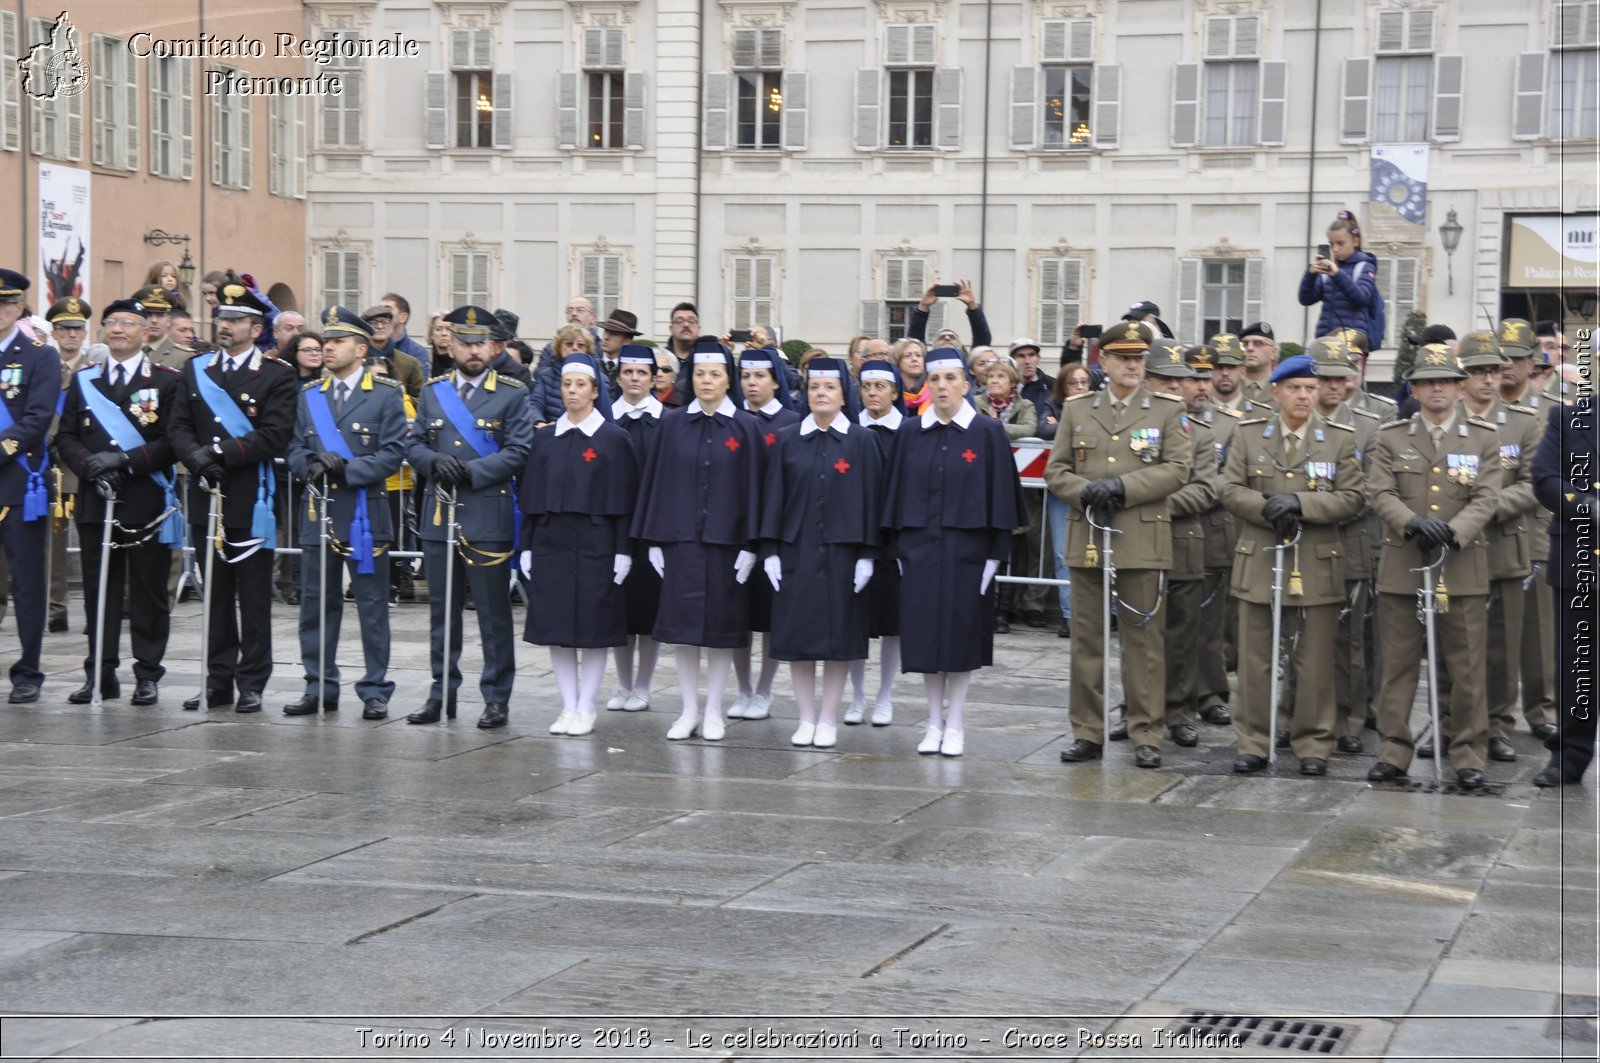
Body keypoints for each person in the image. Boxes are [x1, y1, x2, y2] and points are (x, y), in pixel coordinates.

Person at [1049, 321, 1193, 769]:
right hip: (1088, 532)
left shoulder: (1166, 409)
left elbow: (1178, 469)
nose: (1134, 365)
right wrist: (1085, 491)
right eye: (1124, 357)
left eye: (1139, 357)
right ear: (1104, 362)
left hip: (1140, 533)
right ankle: (1087, 731)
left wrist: (1123, 487)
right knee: (1086, 639)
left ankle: (1146, 732)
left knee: (1143, 641)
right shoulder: (1078, 409)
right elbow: (1056, 471)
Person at [1364, 344, 1503, 789]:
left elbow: (1487, 496)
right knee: (1398, 667)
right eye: (1427, 381)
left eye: (1445, 380)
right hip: (1404, 564)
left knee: (1466, 669)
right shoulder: (1391, 436)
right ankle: (1393, 752)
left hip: (1461, 568)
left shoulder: (1483, 436)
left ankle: (1467, 753)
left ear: (1460, 387)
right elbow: (1379, 492)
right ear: (1415, 388)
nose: (1437, 388)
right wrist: (1411, 523)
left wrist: (1454, 531)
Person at [1219, 354, 1364, 775]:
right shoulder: (1248, 435)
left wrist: (1301, 502)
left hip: (1315, 561)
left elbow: (1353, 497)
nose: (1304, 395)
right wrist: (1268, 507)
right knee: (1254, 659)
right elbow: (1227, 488)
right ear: (1276, 391)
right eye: (1295, 388)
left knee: (1314, 660)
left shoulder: (1339, 438)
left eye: (1311, 388)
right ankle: (1253, 742)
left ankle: (1314, 744)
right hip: (1260, 557)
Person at [882, 347, 1024, 757]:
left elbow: (1002, 497)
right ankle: (932, 721)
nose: (942, 387)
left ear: (966, 383)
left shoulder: (986, 432)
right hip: (920, 549)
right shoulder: (910, 432)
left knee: (960, 637)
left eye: (950, 379)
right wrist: (898, 551)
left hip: (969, 551)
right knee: (926, 637)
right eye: (935, 380)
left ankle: (956, 722)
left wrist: (996, 554)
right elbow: (895, 495)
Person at [1415, 331, 1547, 763]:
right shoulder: (1443, 421)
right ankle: (1446, 722)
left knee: (1499, 649)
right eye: (1478, 371)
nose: (1489, 379)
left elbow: (1532, 485)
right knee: (1446, 645)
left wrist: (1481, 509)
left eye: (1493, 370)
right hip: (1450, 553)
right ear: (1460, 377)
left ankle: (1495, 727)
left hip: (1501, 548)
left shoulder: (1524, 422)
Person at [170, 280, 298, 713]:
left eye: (236, 320)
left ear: (255, 326)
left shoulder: (277, 375)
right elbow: (178, 425)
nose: (225, 326)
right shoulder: (196, 369)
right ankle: (217, 679)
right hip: (208, 493)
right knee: (217, 595)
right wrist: (196, 457)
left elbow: (275, 435)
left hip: (250, 496)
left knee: (255, 595)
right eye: (222, 318)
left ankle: (252, 681)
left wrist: (219, 452)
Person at [404, 305, 534, 729]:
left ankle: (497, 697)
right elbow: (414, 444)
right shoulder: (432, 390)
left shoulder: (512, 393)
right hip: (440, 514)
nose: (472, 351)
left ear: (492, 346)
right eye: (464, 342)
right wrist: (433, 463)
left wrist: (471, 472)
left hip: (487, 514)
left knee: (494, 614)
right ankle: (441, 693)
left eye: (480, 343)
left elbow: (519, 450)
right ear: (451, 344)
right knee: (443, 612)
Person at [631, 336, 766, 741]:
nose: (707, 381)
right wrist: (653, 540)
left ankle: (713, 711)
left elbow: (756, 488)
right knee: (683, 630)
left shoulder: (746, 427)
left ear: (729, 381)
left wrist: (752, 544)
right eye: (701, 374)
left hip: (727, 544)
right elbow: (656, 482)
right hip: (681, 541)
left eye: (716, 374)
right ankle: (688, 709)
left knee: (722, 631)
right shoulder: (672, 424)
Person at [281, 308, 408, 720]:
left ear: (360, 347)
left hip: (365, 513)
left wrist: (347, 469)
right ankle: (318, 684)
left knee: (371, 604)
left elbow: (392, 453)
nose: (327, 348)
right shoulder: (309, 394)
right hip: (319, 509)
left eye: (336, 342)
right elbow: (295, 448)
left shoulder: (386, 393)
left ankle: (375, 688)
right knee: (317, 602)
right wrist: (309, 466)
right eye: (325, 342)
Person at [54, 297, 182, 705]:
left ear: (146, 330)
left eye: (129, 323)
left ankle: (147, 673)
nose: (119, 329)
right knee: (98, 591)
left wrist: (124, 461)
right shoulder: (85, 379)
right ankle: (100, 674)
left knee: (147, 592)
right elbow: (67, 436)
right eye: (112, 322)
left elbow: (170, 441)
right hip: (98, 497)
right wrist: (90, 465)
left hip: (144, 499)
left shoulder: (164, 381)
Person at [759, 357, 882, 747]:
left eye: (829, 387)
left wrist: (868, 554)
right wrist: (771, 549)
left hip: (843, 554)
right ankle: (806, 717)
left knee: (838, 638)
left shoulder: (862, 441)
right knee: (798, 639)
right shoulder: (788, 439)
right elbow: (774, 495)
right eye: (814, 387)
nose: (821, 393)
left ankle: (828, 717)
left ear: (844, 394)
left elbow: (872, 499)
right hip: (797, 551)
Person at [519, 353, 640, 737]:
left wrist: (623, 550)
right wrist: (526, 546)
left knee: (592, 629)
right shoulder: (544, 438)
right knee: (557, 629)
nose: (572, 391)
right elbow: (532, 498)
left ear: (594, 390)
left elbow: (625, 499)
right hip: (552, 543)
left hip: (597, 543)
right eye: (567, 384)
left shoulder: (613, 438)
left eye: (580, 385)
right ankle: (567, 704)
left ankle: (586, 705)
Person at [1135, 341, 1221, 751]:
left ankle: (1179, 714)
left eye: (1178, 380)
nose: (1172, 388)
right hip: (1136, 543)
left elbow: (1205, 490)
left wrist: (1150, 505)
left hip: (1182, 541)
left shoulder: (1199, 434)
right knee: (1138, 634)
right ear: (1146, 381)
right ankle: (1136, 711)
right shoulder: (1132, 425)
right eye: (1163, 380)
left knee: (1183, 636)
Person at [1307, 335, 1383, 753]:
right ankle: (1295, 716)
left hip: (1348, 544)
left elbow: (1368, 492)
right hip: (1300, 545)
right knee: (1298, 639)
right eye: (1324, 378)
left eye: (1341, 377)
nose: (1333, 386)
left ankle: (1349, 719)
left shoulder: (1368, 427)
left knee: (1348, 640)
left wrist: (1311, 510)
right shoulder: (1292, 419)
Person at [727, 345, 798, 721]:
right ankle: (742, 688)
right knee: (738, 615)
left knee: (771, 617)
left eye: (759, 377)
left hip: (776, 533)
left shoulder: (791, 422)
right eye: (745, 376)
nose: (751, 383)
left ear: (775, 381)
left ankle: (765, 690)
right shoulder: (732, 420)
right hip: (737, 531)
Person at [1531, 395, 1598, 786]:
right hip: (1579, 553)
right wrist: (1585, 505)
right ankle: (1569, 755)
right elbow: (1545, 476)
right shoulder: (1568, 417)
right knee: (1578, 666)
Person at [1182, 344, 1242, 725]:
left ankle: (1210, 694)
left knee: (1209, 625)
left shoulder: (1231, 423)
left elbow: (1231, 479)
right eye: (1193, 378)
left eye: (1205, 378)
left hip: (1211, 530)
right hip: (1166, 532)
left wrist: (1190, 491)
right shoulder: (1160, 419)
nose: (1201, 386)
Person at [846, 357, 906, 725]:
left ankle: (885, 695)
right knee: (856, 620)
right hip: (855, 535)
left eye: (880, 386)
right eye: (866, 387)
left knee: (892, 622)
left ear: (895, 392)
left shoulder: (907, 432)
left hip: (892, 538)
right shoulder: (850, 430)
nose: (872, 393)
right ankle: (856, 695)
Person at [607, 344, 665, 712]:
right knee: (619, 609)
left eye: (641, 373)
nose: (634, 379)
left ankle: (643, 684)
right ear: (618, 377)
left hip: (653, 524)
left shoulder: (667, 420)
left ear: (652, 378)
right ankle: (623, 683)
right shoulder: (606, 418)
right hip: (615, 522)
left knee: (651, 608)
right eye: (628, 372)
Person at [45, 297, 91, 633]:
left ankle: (95, 610)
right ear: (55, 332)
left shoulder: (94, 371)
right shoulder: (42, 367)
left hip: (82, 465)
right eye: (64, 328)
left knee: (90, 543)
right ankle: (55, 609)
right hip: (48, 467)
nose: (71, 335)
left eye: (77, 328)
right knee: (53, 544)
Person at [1043, 363, 1093, 638]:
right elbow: (1042, 429)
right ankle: (1068, 615)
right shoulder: (1052, 407)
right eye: (1074, 383)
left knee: (1100, 553)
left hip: (1095, 489)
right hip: (1062, 491)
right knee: (1064, 554)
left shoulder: (1100, 408)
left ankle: (1105, 613)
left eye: (1085, 382)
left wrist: (1063, 428)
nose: (1081, 387)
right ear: (1063, 387)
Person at [1299, 210, 1381, 340]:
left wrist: (1337, 273)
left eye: (1340, 243)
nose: (1335, 249)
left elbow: (1362, 298)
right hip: (1326, 339)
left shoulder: (1364, 266)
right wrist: (1311, 274)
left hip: (1353, 340)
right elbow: (1305, 299)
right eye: (1331, 244)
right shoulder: (1328, 270)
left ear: (1355, 241)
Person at [361, 305, 425, 398]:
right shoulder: (354, 361)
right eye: (374, 322)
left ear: (391, 328)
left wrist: (403, 397)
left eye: (385, 322)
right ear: (365, 328)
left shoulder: (410, 364)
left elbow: (421, 401)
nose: (379, 326)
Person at [909, 279, 991, 349]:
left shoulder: (967, 365)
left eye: (952, 337)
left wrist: (972, 305)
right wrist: (923, 306)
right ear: (933, 346)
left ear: (960, 347)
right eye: (941, 338)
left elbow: (982, 343)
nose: (947, 338)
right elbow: (914, 343)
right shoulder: (924, 365)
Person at [975, 356, 1037, 439]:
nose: (994, 381)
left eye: (1000, 376)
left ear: (1012, 382)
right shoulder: (975, 402)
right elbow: (974, 427)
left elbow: (1029, 429)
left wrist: (996, 426)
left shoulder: (1025, 405)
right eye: (990, 376)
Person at [1237, 322, 1279, 405]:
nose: (1249, 348)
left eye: (1258, 343)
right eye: (1245, 344)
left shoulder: (1282, 389)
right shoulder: (1230, 387)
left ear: (1273, 352)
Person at [894, 338, 930, 415]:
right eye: (907, 356)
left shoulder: (933, 390)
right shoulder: (892, 392)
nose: (914, 359)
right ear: (898, 361)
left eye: (918, 355)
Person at [427, 312, 452, 377]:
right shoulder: (424, 359)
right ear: (431, 334)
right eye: (438, 329)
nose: (444, 333)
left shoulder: (460, 359)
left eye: (448, 329)